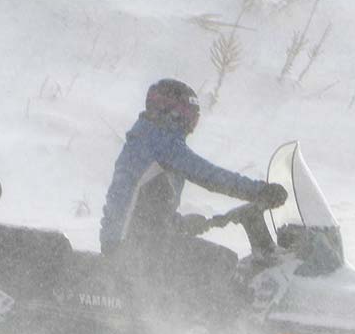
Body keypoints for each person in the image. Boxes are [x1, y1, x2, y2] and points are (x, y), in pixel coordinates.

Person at [100, 78, 286, 319]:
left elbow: (141, 205)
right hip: (134, 248)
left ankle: (185, 323)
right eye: (188, 114)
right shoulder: (160, 141)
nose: (191, 124)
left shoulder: (148, 139)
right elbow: (209, 175)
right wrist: (258, 190)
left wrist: (178, 223)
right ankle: (204, 331)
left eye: (194, 116)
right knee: (221, 261)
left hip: (134, 243)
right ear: (172, 112)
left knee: (199, 262)